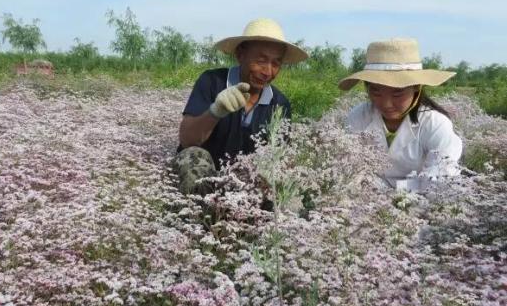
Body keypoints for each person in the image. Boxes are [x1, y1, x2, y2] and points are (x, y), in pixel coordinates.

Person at [175, 18, 308, 194]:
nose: (268, 71)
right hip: (206, 178)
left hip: (246, 183)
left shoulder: (280, 104)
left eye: (276, 63)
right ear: (240, 54)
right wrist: (215, 112)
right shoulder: (212, 82)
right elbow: (187, 140)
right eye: (261, 60)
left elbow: (279, 159)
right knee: (192, 156)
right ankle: (196, 215)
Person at [338, 38, 463, 191]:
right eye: (376, 91)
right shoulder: (358, 116)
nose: (386, 103)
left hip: (420, 204)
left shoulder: (435, 123)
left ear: (416, 87)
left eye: (397, 93)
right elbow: (347, 167)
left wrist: (395, 193)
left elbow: (442, 177)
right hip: (363, 199)